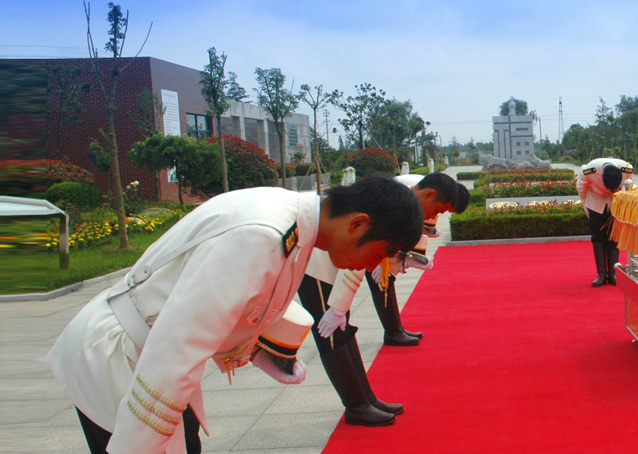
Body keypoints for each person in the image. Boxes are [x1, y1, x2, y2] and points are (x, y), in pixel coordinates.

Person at [46, 176, 424, 454]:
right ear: (357, 224)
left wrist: (261, 351)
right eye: (378, 254)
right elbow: (178, 347)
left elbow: (239, 304)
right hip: (121, 355)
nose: (372, 265)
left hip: (143, 349)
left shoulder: (294, 223)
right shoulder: (263, 233)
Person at [297, 173, 469, 426]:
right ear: (429, 195)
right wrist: (339, 306)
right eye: (440, 210)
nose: (436, 216)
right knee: (332, 334)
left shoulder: (405, 202)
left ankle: (365, 398)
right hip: (319, 265)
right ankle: (356, 406)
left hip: (338, 259)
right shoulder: (396, 203)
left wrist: (400, 261)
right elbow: (360, 253)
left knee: (343, 329)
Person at [359, 173, 470, 346]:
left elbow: (415, 228)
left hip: (375, 239)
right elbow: (396, 232)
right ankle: (393, 331)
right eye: (442, 210)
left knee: (386, 278)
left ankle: (395, 329)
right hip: (355, 244)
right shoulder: (404, 198)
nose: (438, 215)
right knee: (381, 279)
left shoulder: (425, 194)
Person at [577, 158, 631, 287]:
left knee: (614, 236)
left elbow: (629, 189)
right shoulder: (589, 170)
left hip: (615, 203)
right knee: (598, 237)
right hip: (596, 202)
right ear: (601, 177)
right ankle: (601, 274)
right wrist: (586, 206)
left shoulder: (626, 169)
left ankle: (613, 273)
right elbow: (581, 188)